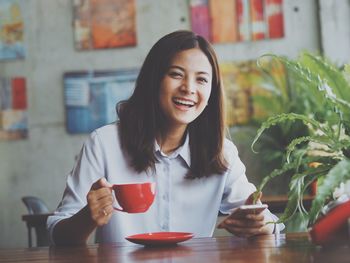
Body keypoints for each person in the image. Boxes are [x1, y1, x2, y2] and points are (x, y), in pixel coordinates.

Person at [47, 30, 283, 245]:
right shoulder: (104, 144)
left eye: (201, 79)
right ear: (153, 81)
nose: (189, 88)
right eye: (176, 74)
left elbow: (268, 223)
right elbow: (57, 233)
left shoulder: (222, 152)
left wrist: (260, 224)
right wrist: (87, 218)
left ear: (211, 93)